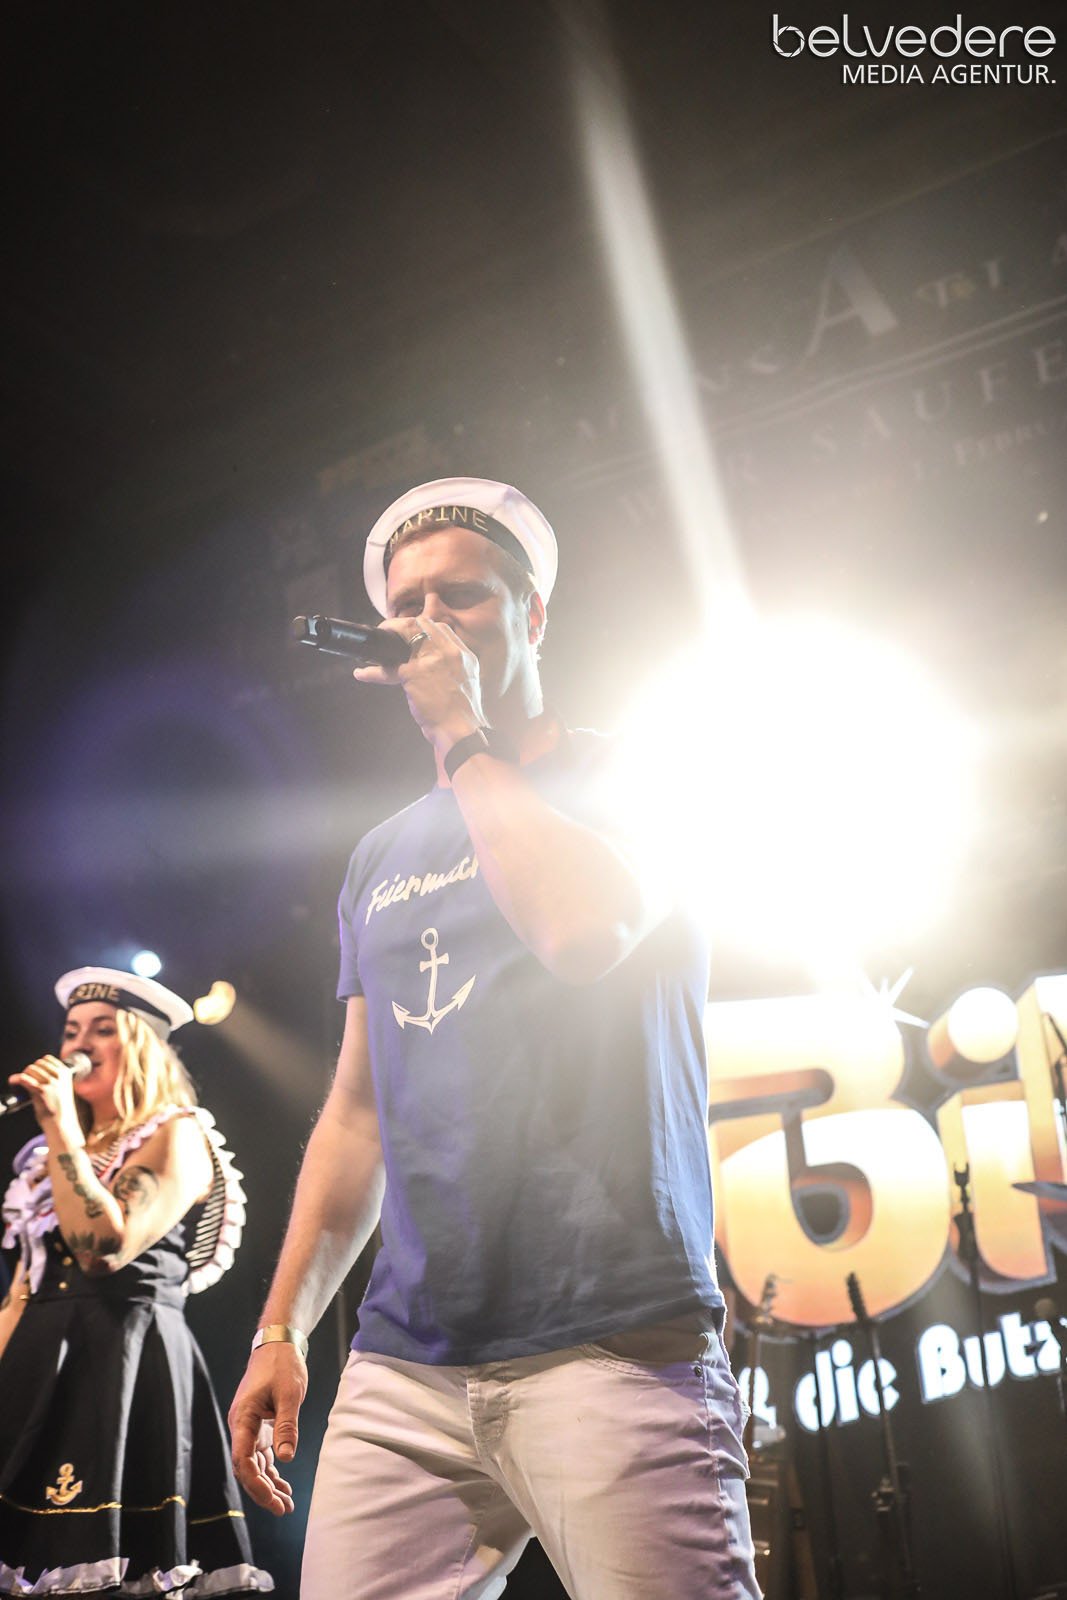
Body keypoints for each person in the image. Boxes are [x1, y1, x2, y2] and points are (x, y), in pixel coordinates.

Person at [228, 477, 761, 1600]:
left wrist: (464, 734)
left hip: (610, 1340)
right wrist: (282, 1326)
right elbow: (357, 1115)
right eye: (406, 604)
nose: (429, 622)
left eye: (461, 597)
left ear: (534, 615)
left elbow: (580, 933)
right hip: (404, 1369)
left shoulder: (639, 775)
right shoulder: (379, 856)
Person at [0, 966, 273, 1597]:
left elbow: (104, 1247)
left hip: (121, 1367)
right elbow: (22, 1289)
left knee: (105, 1567)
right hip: (35, 1367)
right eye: (71, 1031)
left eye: (103, 1029)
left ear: (144, 1045)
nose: (79, 1045)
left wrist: (60, 1128)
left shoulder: (178, 1133)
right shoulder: (47, 1161)